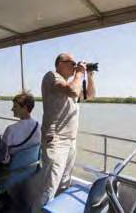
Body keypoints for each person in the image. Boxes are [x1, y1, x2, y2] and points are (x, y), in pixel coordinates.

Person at [39, 53, 95, 205]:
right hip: (57, 140)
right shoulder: (52, 77)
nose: (75, 65)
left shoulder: (72, 84)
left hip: (70, 141)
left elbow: (90, 95)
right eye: (72, 63)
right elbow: (73, 91)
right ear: (60, 64)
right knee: (49, 188)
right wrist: (79, 73)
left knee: (64, 184)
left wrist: (89, 76)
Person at [2, 92, 41, 163]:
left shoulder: (11, 129)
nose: (12, 109)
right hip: (31, 166)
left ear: (25, 108)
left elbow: (3, 155)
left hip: (14, 169)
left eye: (15, 106)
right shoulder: (39, 126)